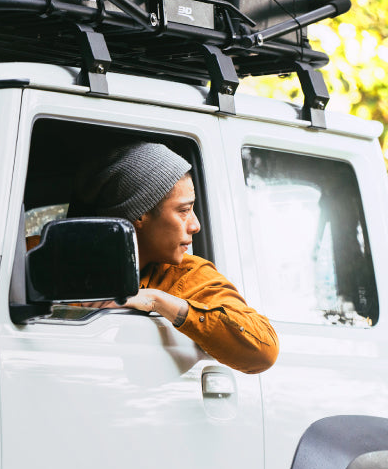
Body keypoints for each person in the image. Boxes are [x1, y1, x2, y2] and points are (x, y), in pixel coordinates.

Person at [68, 141, 279, 374]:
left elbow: (264, 349)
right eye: (183, 210)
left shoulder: (188, 275)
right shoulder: (50, 256)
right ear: (139, 213)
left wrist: (161, 302)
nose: (196, 225)